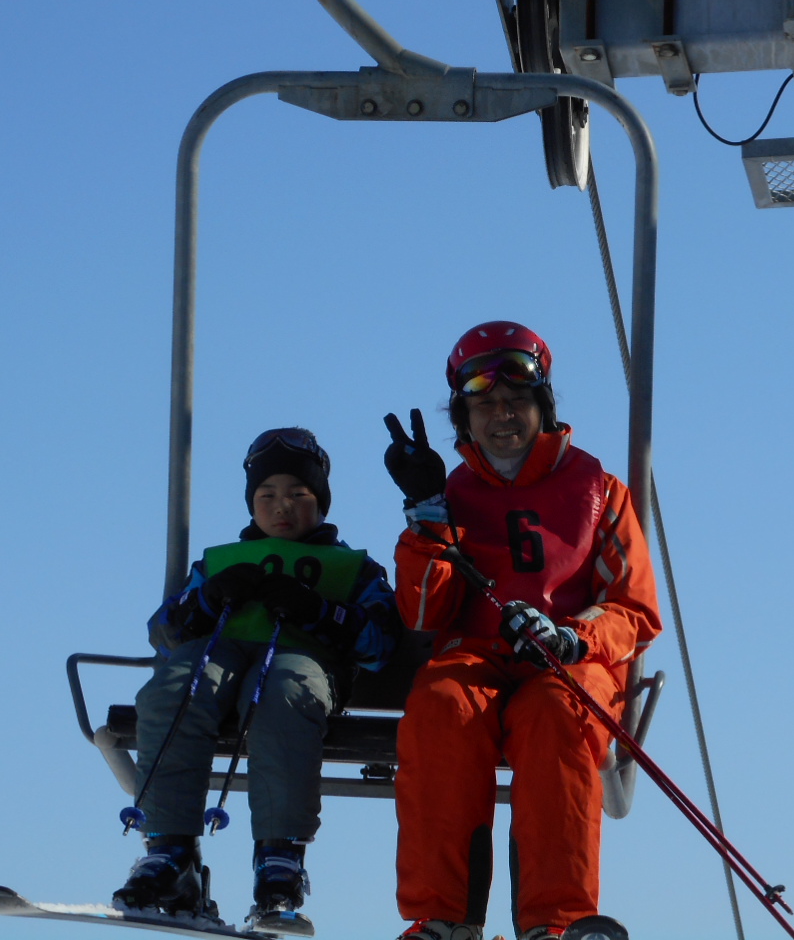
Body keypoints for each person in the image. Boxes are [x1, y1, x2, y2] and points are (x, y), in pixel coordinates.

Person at [383, 323, 662, 940]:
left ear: (543, 406)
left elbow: (634, 609)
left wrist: (573, 635)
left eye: (516, 402)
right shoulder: (451, 493)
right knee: (439, 706)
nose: (501, 417)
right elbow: (426, 614)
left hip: (565, 661)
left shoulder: (597, 490)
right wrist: (427, 518)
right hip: (478, 654)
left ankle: (555, 922)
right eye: (484, 405)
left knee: (558, 715)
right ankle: (444, 920)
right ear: (464, 416)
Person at [111, 427, 400, 934]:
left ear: (320, 502)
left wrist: (321, 613)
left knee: (280, 692)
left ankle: (279, 858)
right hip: (218, 660)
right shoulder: (221, 562)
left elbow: (382, 645)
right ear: (251, 504)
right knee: (176, 686)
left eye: (297, 495)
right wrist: (208, 600)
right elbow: (164, 632)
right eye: (266, 496)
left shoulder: (352, 569)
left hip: (299, 663)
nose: (281, 507)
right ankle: (170, 849)